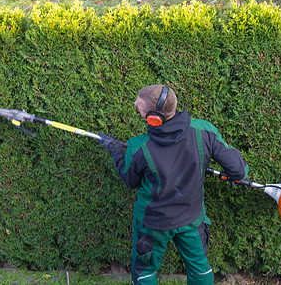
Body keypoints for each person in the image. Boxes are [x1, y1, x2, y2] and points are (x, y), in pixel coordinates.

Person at [98, 84, 249, 285]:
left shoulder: (139, 146)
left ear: (153, 118)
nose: (135, 104)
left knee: (145, 271)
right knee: (200, 271)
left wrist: (115, 149)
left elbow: (130, 180)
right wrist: (233, 175)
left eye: (139, 105)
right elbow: (239, 171)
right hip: (192, 219)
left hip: (153, 224)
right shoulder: (204, 131)